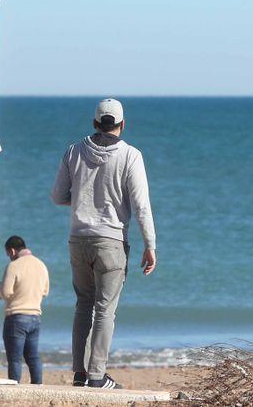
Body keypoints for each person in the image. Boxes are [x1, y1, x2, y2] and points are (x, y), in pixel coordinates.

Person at [51, 98, 157, 390]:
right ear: (123, 125)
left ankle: (79, 373)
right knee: (105, 309)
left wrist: (85, 197)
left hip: (78, 238)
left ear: (95, 123)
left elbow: (58, 196)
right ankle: (97, 375)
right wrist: (150, 244)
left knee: (83, 305)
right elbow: (141, 206)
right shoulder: (131, 155)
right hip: (110, 240)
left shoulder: (73, 151)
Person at [0, 235, 50, 384]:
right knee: (33, 357)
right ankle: (37, 388)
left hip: (16, 318)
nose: (9, 257)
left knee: (14, 359)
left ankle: (14, 390)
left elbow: (5, 293)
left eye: (8, 254)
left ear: (12, 251)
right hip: (35, 317)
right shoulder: (41, 265)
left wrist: (1, 288)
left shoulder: (14, 266)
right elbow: (45, 291)